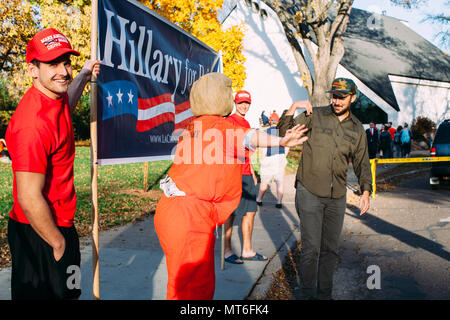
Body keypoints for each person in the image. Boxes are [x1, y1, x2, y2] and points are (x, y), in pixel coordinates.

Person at [154, 72, 308, 300]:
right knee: (194, 289)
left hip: (175, 211)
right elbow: (250, 137)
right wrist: (281, 141)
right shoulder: (220, 127)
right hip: (190, 215)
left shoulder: (192, 128)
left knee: (183, 283)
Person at [5, 28, 100, 300]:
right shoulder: (32, 124)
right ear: (33, 70)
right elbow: (27, 195)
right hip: (39, 233)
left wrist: (82, 75)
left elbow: (65, 106)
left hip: (60, 224)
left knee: (70, 294)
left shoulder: (53, 100)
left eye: (66, 62)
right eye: (53, 64)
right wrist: (58, 243)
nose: (63, 71)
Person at [277, 77, 372, 300]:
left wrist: (366, 190)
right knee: (311, 248)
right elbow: (283, 133)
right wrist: (292, 108)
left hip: (337, 195)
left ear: (353, 98)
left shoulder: (357, 129)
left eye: (342, 97)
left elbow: (362, 162)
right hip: (309, 190)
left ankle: (324, 295)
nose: (337, 101)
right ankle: (307, 295)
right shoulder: (315, 116)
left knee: (330, 250)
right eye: (334, 96)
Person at [223, 90, 266, 265]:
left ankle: (247, 250)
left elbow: (248, 153)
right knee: (231, 213)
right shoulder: (229, 121)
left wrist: (253, 173)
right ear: (235, 103)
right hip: (233, 174)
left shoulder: (247, 122)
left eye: (246, 103)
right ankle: (226, 250)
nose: (243, 106)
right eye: (241, 102)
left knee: (250, 212)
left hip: (247, 173)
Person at [256, 118, 288, 209]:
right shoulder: (282, 132)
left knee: (265, 181)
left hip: (270, 157)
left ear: (270, 122)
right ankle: (279, 202)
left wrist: (263, 158)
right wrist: (284, 156)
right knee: (280, 182)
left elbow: (264, 147)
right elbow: (287, 146)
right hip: (280, 156)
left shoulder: (266, 132)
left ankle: (259, 200)